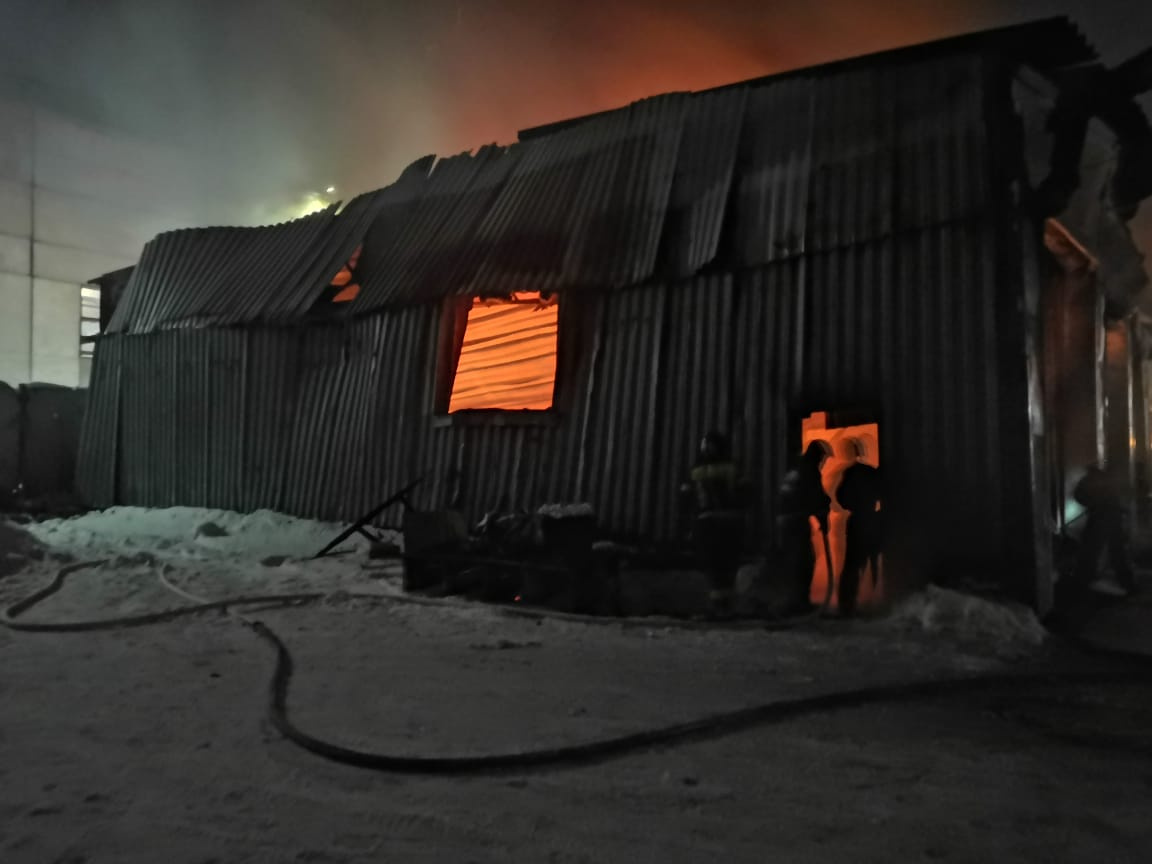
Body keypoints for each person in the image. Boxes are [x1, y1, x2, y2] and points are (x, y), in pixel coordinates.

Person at [682, 430, 747, 618]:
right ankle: (726, 607)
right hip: (728, 522)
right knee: (726, 565)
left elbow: (687, 498)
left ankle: (719, 606)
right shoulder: (733, 467)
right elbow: (745, 493)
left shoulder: (696, 470)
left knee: (715, 566)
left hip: (709, 523)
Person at [777, 440, 832, 614]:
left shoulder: (796, 470)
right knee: (803, 562)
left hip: (787, 522)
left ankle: (796, 600)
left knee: (797, 560)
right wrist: (823, 512)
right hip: (795, 522)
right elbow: (816, 497)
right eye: (822, 457)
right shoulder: (809, 471)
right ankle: (798, 602)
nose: (823, 461)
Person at [1073, 461, 1136, 596]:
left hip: (1099, 517)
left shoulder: (1091, 479)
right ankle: (1127, 583)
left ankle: (1083, 581)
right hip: (1108, 518)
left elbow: (1079, 496)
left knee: (1091, 550)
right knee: (1115, 551)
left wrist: (1093, 504)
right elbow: (1123, 496)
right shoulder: (1108, 480)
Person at [835, 438, 882, 617]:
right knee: (866, 562)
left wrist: (851, 506)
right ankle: (856, 603)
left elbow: (840, 497)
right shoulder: (870, 472)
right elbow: (881, 493)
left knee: (853, 564)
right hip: (869, 520)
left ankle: (847, 604)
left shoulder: (850, 473)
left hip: (858, 521)